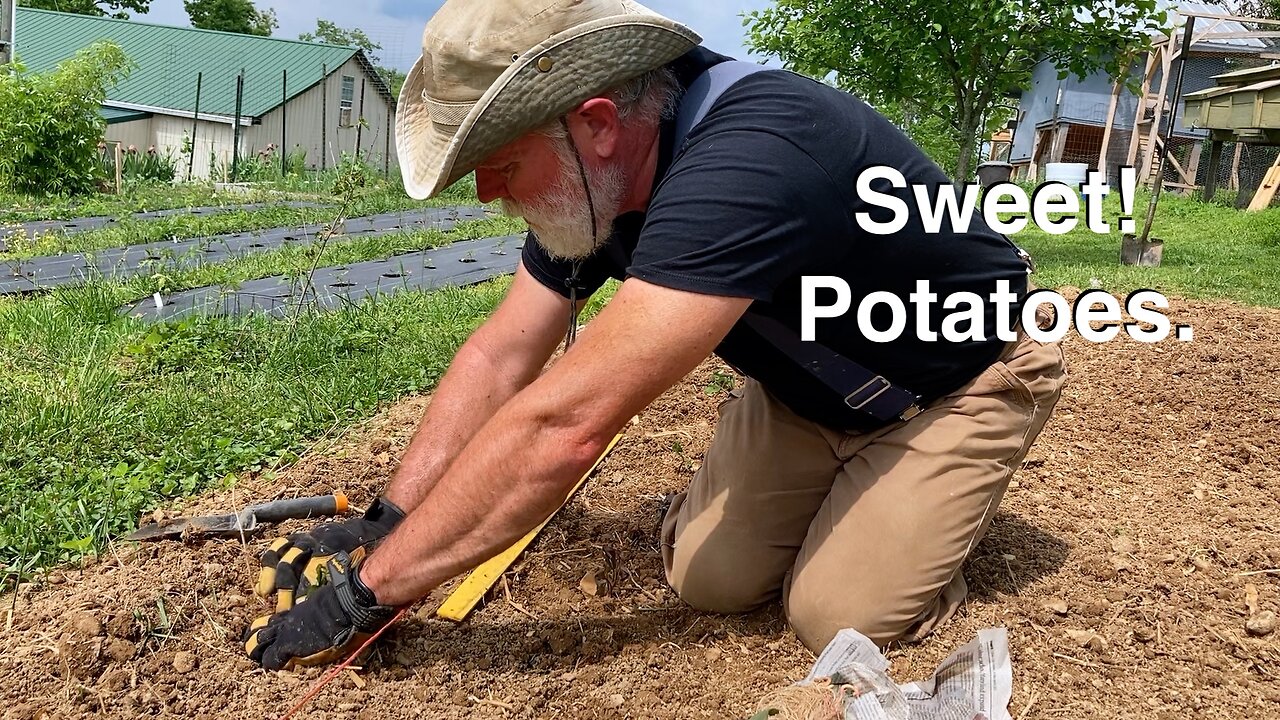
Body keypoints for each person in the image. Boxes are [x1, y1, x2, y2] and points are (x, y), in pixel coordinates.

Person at [244, 0, 1066, 671]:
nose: (490, 192)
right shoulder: (594, 187)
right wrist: (391, 521)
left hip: (953, 385)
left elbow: (566, 426)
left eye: (500, 161)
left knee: (836, 616)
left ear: (595, 121)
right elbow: (502, 355)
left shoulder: (756, 157)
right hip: (805, 392)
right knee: (709, 582)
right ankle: (843, 493)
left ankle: (934, 516)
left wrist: (365, 595)